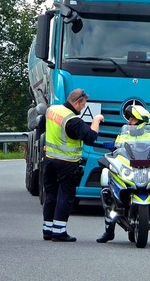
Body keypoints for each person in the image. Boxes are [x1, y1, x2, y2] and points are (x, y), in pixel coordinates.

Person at [96, 105, 150, 245]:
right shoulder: (124, 134)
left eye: (133, 119)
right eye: (130, 119)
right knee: (107, 181)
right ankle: (109, 231)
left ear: (141, 121)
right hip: (131, 169)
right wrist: (111, 149)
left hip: (147, 169)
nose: (130, 122)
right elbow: (117, 150)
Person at [38, 88, 104, 242]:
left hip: (50, 161)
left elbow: (42, 126)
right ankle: (59, 231)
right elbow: (90, 138)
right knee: (65, 196)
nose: (83, 108)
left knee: (51, 194)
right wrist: (96, 120)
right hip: (67, 164)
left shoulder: (51, 110)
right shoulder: (72, 120)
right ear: (76, 102)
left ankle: (47, 229)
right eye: (82, 105)